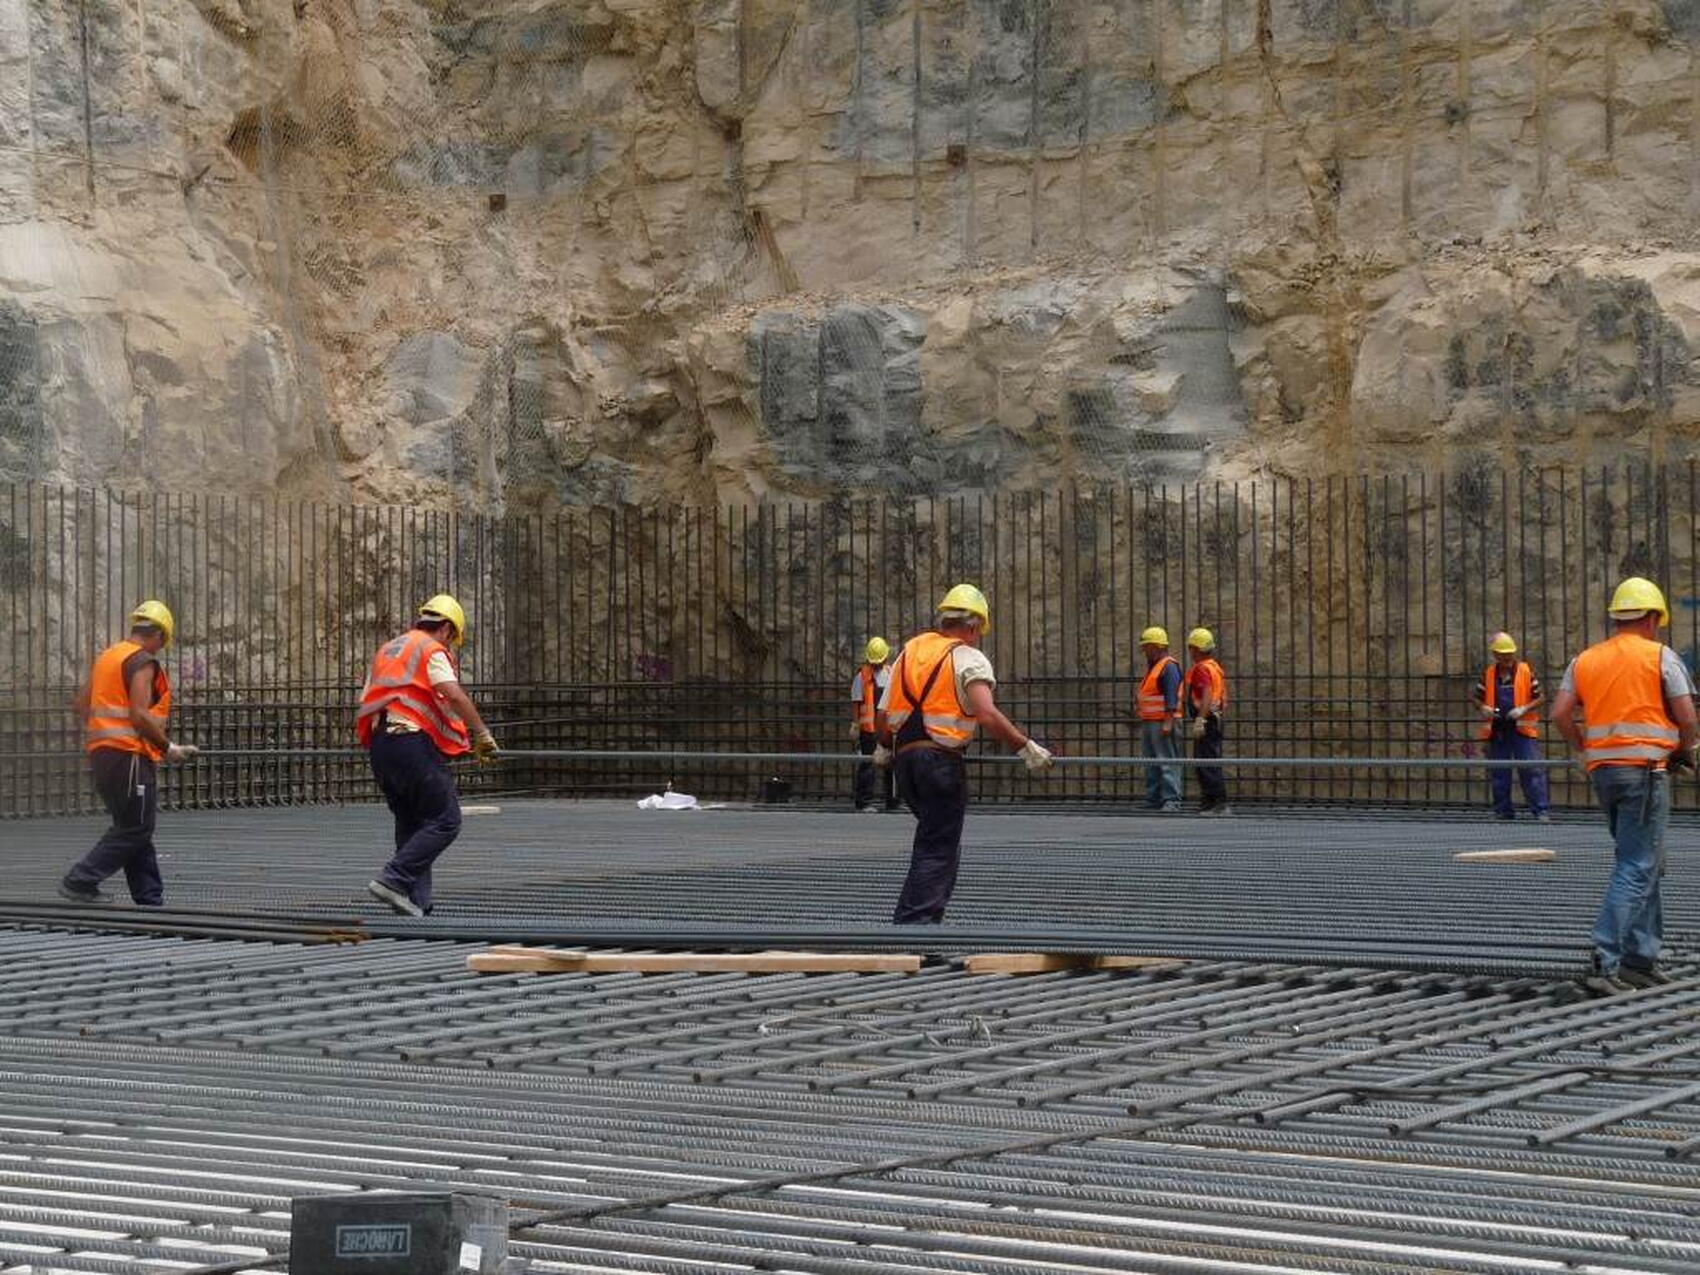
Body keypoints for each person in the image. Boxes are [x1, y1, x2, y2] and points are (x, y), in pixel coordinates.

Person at [1549, 577, 1697, 994]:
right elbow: (1687, 717)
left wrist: (1583, 749)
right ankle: (1604, 959)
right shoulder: (1660, 657)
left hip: (1605, 772)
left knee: (1644, 859)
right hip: (1646, 772)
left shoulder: (1586, 660)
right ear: (1652, 618)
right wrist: (1686, 751)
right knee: (1636, 865)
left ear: (1617, 618)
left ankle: (1640, 958)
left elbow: (1561, 713)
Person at [875, 584, 1055, 923]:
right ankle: (914, 929)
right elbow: (986, 714)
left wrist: (884, 746)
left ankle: (921, 921)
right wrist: (1025, 747)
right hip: (940, 763)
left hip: (905, 764)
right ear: (972, 626)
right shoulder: (968, 658)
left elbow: (883, 717)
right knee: (937, 847)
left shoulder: (909, 653)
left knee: (938, 841)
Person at [356, 594, 499, 917]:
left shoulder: (387, 651)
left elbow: (367, 700)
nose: (451, 646)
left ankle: (416, 902)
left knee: (412, 822)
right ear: (447, 628)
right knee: (446, 820)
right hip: (410, 745)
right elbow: (453, 694)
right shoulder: (430, 649)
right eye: (453, 639)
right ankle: (393, 879)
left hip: (381, 748)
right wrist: (482, 733)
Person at [60, 600, 199, 905]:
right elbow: (138, 715)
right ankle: (80, 879)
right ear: (159, 635)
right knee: (136, 827)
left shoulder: (108, 657)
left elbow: (80, 705)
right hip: (130, 756)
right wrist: (169, 747)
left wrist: (105, 729)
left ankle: (149, 898)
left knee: (133, 827)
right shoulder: (142, 661)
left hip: (103, 755)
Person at [1477, 630, 1550, 821]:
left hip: (1522, 730)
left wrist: (1524, 708)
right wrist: (1483, 707)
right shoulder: (1489, 674)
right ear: (1495, 655)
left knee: (1531, 769)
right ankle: (1503, 811)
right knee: (1500, 771)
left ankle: (1540, 810)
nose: (1507, 659)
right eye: (1503, 656)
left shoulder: (1526, 672)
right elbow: (1476, 697)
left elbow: (1541, 697)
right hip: (1498, 729)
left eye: (1509, 655)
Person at [1137, 626, 1183, 811]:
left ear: (1157, 646)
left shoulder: (1168, 666)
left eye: (1146, 646)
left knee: (1167, 761)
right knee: (1151, 761)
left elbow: (1171, 696)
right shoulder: (1155, 666)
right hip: (1151, 721)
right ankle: (1154, 798)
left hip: (1162, 721)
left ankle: (1171, 799)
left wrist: (1168, 721)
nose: (1144, 650)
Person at [1186, 627, 1230, 815]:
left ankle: (1216, 803)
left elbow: (1207, 695)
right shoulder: (1214, 667)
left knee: (1206, 761)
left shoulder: (1203, 669)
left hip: (1207, 719)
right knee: (1207, 759)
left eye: (1191, 647)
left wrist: (1200, 721)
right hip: (1214, 717)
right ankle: (1209, 801)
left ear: (1195, 648)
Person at [850, 636, 896, 812]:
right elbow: (856, 702)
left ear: (885, 658)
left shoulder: (891, 674)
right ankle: (864, 802)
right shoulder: (861, 676)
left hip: (887, 729)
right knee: (867, 765)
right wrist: (855, 725)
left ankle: (892, 801)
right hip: (868, 730)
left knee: (891, 764)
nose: (876, 664)